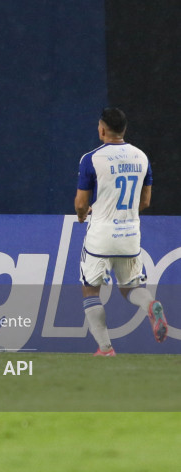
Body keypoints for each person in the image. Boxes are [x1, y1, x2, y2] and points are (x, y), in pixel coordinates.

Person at [75, 107, 167, 356]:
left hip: (101, 236)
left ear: (102, 129)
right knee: (130, 288)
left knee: (90, 290)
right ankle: (151, 304)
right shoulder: (141, 157)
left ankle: (105, 349)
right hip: (129, 235)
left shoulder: (91, 159)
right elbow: (145, 201)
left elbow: (81, 204)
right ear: (124, 130)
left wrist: (83, 216)